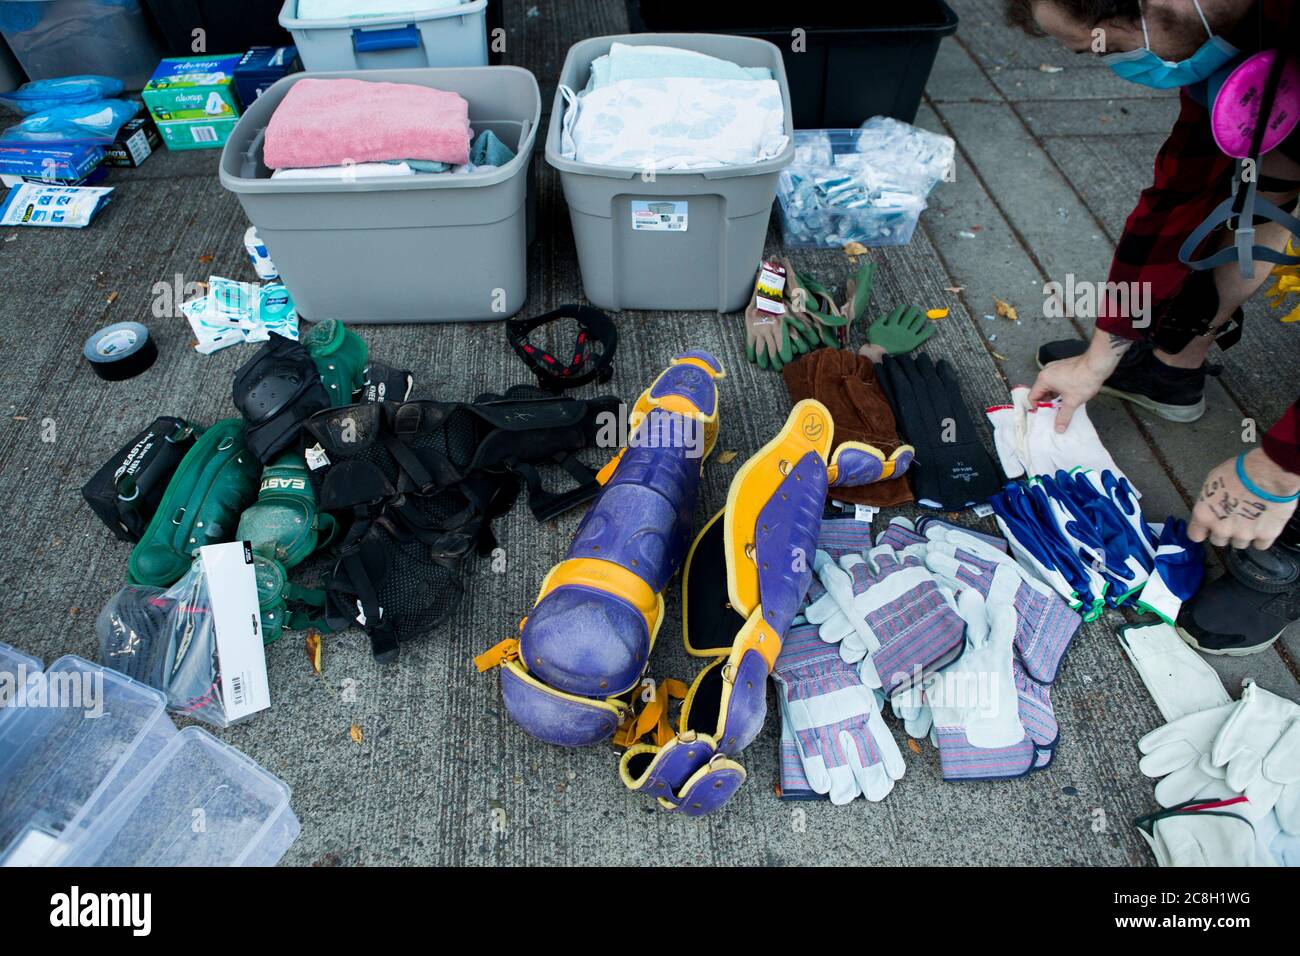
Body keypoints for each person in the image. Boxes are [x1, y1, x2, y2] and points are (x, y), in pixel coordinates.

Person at [1007, 0, 1300, 653]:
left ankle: (1288, 532)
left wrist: (1278, 465)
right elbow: (1178, 200)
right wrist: (1104, 351)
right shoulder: (1218, 27)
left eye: (1101, 48)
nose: (1109, 67)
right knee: (1269, 181)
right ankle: (1173, 366)